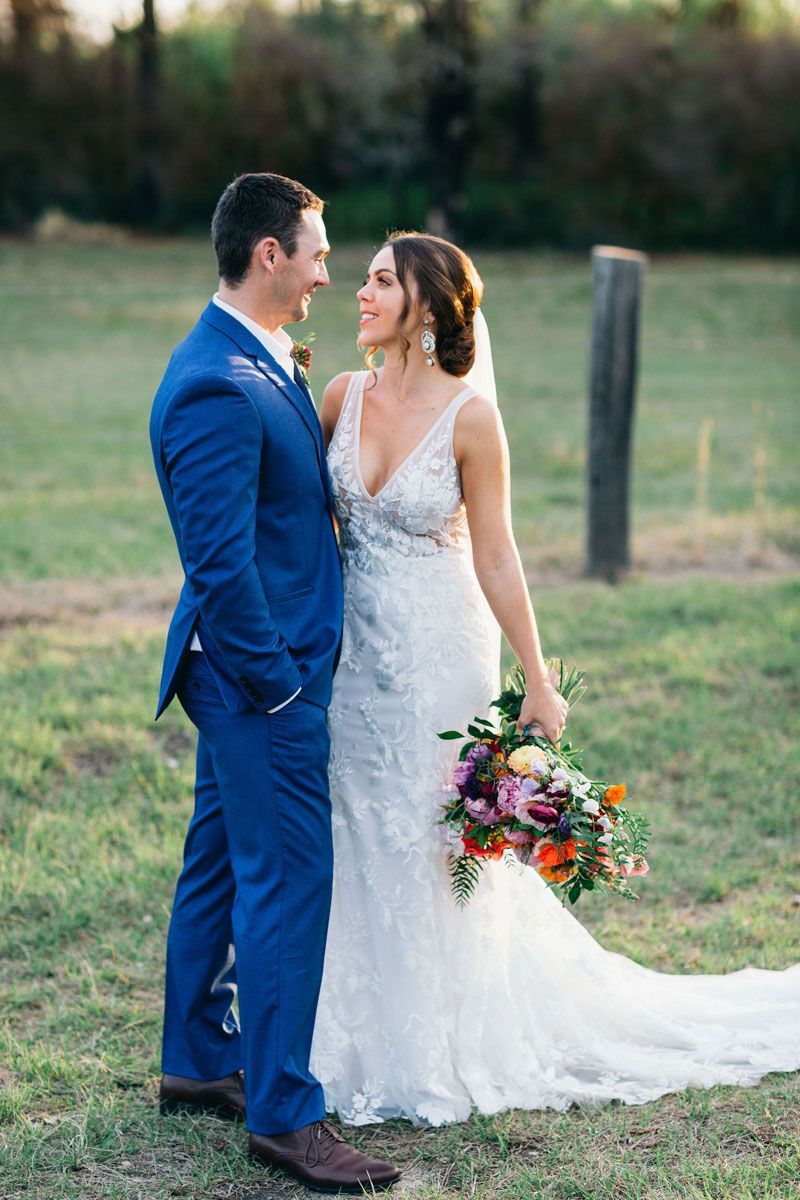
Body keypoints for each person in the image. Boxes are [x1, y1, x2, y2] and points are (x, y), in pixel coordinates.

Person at [311, 231, 800, 1128]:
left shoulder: (471, 419)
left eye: (381, 281)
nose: (361, 293)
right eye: (365, 279)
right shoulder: (341, 395)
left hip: (440, 655)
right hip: (355, 654)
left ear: (426, 308)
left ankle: (438, 1038)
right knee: (357, 822)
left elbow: (496, 553)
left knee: (431, 831)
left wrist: (537, 678)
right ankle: (345, 1033)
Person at [149, 172, 399, 1192]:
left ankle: (197, 1058)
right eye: (318, 255)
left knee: (218, 862)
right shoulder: (215, 381)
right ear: (269, 254)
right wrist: (280, 686)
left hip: (239, 677)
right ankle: (286, 1118)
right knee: (288, 882)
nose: (328, 275)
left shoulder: (253, 355)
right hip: (260, 682)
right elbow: (217, 564)